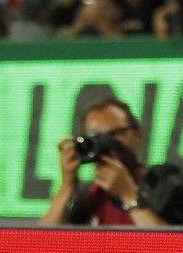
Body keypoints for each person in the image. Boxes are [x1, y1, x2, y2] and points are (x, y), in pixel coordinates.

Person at [41, 96, 168, 227]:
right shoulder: (91, 194)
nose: (106, 143)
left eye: (115, 134)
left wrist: (129, 195)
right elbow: (45, 240)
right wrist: (67, 185)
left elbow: (169, 245)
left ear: (137, 134)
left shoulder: (169, 186)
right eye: (95, 137)